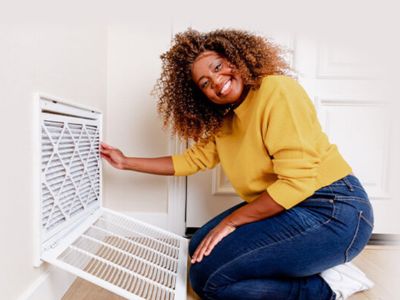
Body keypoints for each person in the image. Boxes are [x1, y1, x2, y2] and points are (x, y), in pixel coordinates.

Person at [100, 28, 375, 300]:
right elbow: (191, 160)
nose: (217, 82)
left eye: (218, 67)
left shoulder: (277, 90)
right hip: (289, 205)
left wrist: (231, 223)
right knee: (197, 248)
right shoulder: (228, 122)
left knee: (210, 283)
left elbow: (297, 183)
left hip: (333, 209)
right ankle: (308, 265)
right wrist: (125, 162)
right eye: (205, 83)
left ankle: (329, 287)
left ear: (237, 58)